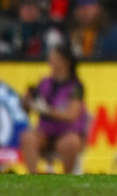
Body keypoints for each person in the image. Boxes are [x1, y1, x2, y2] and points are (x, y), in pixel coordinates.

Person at [19, 45, 88, 174]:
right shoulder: (44, 83)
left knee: (71, 142)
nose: (50, 62)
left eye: (54, 58)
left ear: (65, 61)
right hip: (45, 132)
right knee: (27, 137)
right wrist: (27, 102)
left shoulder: (76, 87)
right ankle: (34, 176)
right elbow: (27, 110)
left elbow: (71, 115)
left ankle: (66, 177)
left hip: (67, 132)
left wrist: (47, 110)